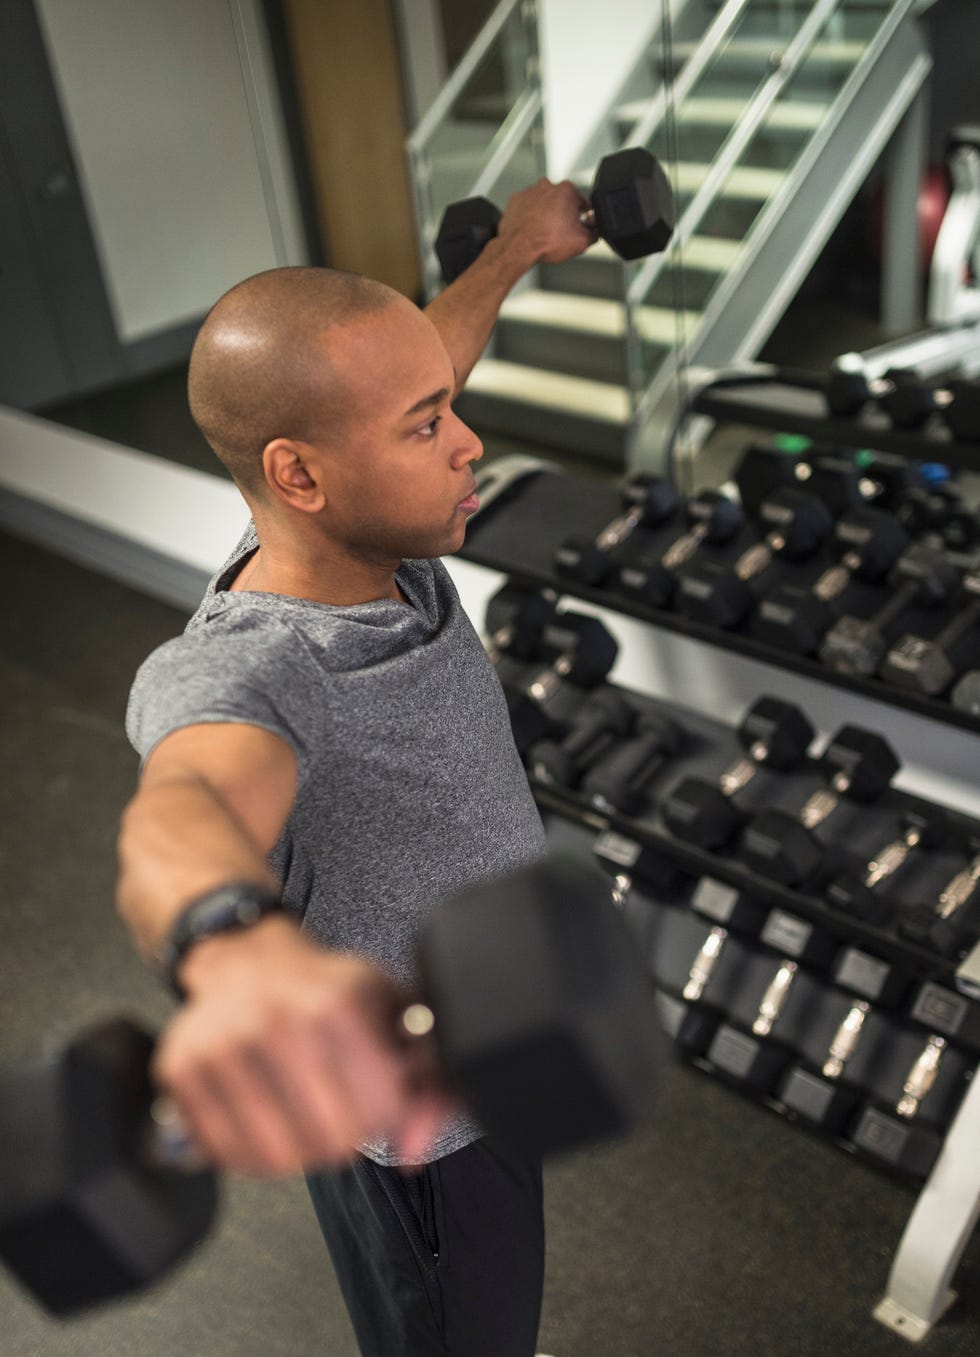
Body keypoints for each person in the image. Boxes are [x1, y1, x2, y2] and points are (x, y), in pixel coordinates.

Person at [117, 178, 595, 1357]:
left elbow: (417, 358)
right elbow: (185, 803)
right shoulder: (265, 665)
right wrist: (230, 941)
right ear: (297, 475)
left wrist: (516, 253)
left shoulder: (363, 538)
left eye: (444, 407)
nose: (467, 438)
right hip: (422, 1136)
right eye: (428, 426)